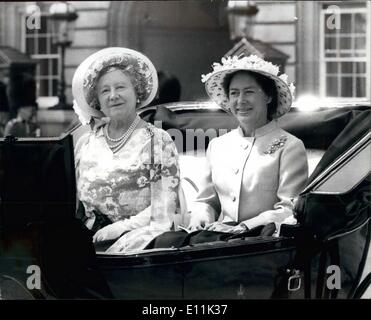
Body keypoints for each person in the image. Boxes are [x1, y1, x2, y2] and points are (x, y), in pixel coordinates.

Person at [72, 47, 180, 254]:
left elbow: (164, 207)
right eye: (105, 90)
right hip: (88, 241)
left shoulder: (157, 141)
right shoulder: (85, 143)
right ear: (98, 101)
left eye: (120, 87)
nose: (113, 96)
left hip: (137, 241)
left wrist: (121, 228)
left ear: (137, 92)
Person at [188, 55, 308, 234]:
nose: (241, 100)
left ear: (268, 96)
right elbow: (206, 201)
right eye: (234, 93)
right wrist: (201, 216)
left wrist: (244, 227)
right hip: (217, 241)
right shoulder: (218, 145)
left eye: (249, 92)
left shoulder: (290, 146)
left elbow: (289, 209)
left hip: (264, 244)